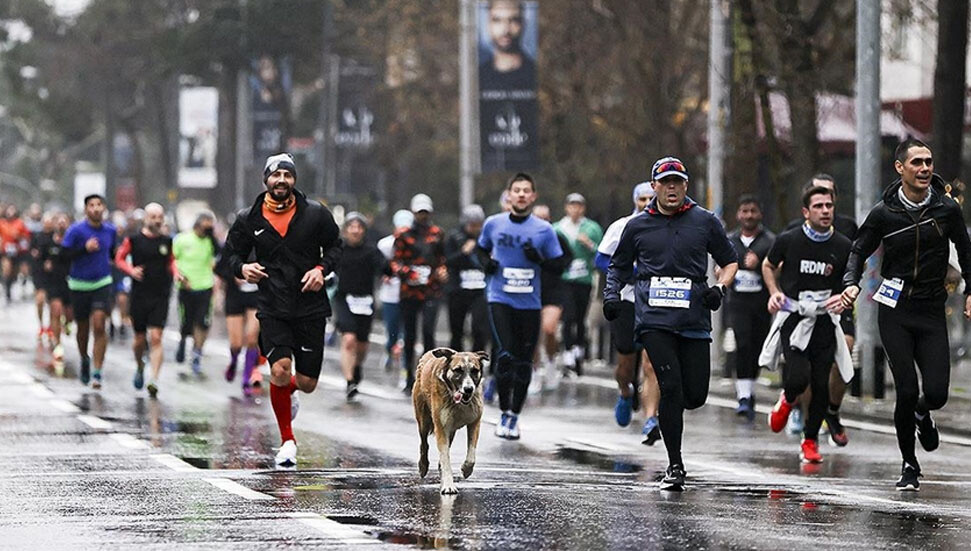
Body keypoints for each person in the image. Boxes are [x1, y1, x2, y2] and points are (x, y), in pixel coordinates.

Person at [840, 139, 971, 491]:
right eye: (917, 162)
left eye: (928, 161)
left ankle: (922, 413)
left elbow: (965, 249)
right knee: (907, 388)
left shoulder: (946, 209)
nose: (925, 168)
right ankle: (909, 464)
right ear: (900, 168)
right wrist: (851, 282)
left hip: (930, 309)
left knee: (937, 393)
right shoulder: (884, 213)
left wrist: (970, 290)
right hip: (895, 310)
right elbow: (859, 249)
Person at [604, 157, 737, 491]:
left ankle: (674, 428)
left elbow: (730, 261)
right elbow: (618, 266)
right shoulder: (637, 226)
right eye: (665, 183)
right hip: (654, 319)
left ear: (686, 185)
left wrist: (719, 288)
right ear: (655, 187)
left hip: (693, 318)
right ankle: (675, 465)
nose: (672, 188)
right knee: (671, 387)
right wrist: (612, 295)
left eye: (677, 182)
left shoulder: (705, 221)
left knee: (695, 395)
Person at [225, 152, 342, 468]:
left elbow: (336, 247)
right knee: (278, 370)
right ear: (266, 179)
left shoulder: (315, 213)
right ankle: (288, 441)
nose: (281, 180)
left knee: (307, 383)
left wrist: (321, 270)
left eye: (287, 175)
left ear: (294, 180)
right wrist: (243, 268)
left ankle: (289, 389)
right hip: (272, 305)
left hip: (310, 306)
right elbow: (230, 256)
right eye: (276, 175)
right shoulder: (248, 218)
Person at [759, 186, 852, 465]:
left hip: (825, 319)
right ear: (806, 212)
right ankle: (787, 400)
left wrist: (844, 297)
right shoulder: (789, 239)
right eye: (818, 206)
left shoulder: (842, 245)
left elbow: (850, 280)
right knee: (799, 376)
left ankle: (810, 440)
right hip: (795, 316)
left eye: (829, 206)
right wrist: (774, 292)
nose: (825, 211)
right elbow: (767, 265)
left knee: (821, 384)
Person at [477, 172, 564, 439]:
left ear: (533, 196)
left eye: (527, 190)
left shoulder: (544, 230)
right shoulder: (494, 224)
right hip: (500, 298)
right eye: (517, 190)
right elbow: (480, 249)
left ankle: (514, 415)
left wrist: (538, 258)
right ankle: (503, 411)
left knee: (524, 361)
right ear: (509, 195)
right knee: (505, 355)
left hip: (529, 302)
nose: (522, 194)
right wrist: (486, 263)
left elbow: (558, 265)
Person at [784, 174, 857, 443]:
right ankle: (805, 416)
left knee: (845, 349)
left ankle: (832, 410)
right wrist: (780, 296)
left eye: (829, 197)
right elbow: (777, 264)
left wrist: (851, 290)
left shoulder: (848, 228)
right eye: (818, 198)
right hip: (803, 307)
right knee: (807, 367)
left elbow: (858, 262)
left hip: (836, 303)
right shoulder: (794, 232)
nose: (825, 207)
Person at [596, 182, 661, 444]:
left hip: (656, 300)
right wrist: (631, 272)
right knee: (625, 363)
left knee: (651, 363)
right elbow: (601, 259)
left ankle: (650, 418)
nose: (646, 203)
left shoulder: (666, 226)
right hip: (627, 300)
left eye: (650, 198)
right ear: (635, 201)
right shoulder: (622, 226)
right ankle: (625, 391)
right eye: (642, 199)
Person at [114, 203, 181, 398]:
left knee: (156, 337)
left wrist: (176, 274)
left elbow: (172, 261)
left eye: (160, 217)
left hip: (160, 294)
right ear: (145, 219)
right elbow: (119, 259)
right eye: (153, 217)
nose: (157, 220)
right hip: (140, 294)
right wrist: (131, 270)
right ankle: (140, 365)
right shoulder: (134, 240)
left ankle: (154, 379)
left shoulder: (167, 241)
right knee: (139, 339)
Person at [724, 195, 775, 420]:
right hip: (738, 302)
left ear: (760, 214)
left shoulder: (769, 241)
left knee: (757, 347)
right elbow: (721, 265)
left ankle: (750, 390)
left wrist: (760, 265)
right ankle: (743, 396)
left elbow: (778, 267)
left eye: (753, 211)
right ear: (738, 214)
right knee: (742, 343)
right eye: (745, 211)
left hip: (761, 303)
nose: (749, 215)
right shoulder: (730, 240)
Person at [391, 193, 447, 393]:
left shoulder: (437, 233)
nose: (423, 216)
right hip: (409, 292)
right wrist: (408, 272)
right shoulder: (403, 235)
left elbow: (442, 258)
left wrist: (442, 271)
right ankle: (409, 376)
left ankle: (430, 376)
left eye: (426, 212)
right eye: (419, 212)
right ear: (414, 213)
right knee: (410, 334)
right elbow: (395, 262)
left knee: (429, 332)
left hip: (431, 291)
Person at [62, 194, 117, 389]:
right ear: (86, 210)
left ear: (104, 208)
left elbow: (113, 253)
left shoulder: (111, 230)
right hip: (79, 284)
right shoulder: (75, 230)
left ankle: (97, 371)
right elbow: (64, 255)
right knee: (83, 327)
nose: (96, 208)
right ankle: (84, 358)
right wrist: (84, 249)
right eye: (92, 205)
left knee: (100, 324)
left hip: (102, 282)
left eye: (99, 204)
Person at [333, 212, 390, 400]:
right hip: (344, 299)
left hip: (365, 301)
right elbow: (326, 266)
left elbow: (385, 267)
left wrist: (388, 271)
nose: (355, 231)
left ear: (364, 231)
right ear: (345, 230)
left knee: (362, 345)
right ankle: (350, 382)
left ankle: (356, 366)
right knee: (349, 339)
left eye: (359, 227)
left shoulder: (371, 251)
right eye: (352, 227)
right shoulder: (338, 249)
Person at [554, 193, 604, 374]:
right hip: (565, 279)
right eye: (572, 205)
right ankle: (568, 353)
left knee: (581, 318)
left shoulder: (592, 228)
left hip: (585, 279)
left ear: (583, 208)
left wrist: (589, 244)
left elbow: (602, 253)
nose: (575, 209)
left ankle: (579, 352)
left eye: (579, 206)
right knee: (568, 316)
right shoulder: (557, 228)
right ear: (566, 207)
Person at [216, 227, 263, 397]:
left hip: (256, 296)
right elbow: (220, 269)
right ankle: (234, 360)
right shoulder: (232, 244)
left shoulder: (265, 243)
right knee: (236, 344)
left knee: (251, 338)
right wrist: (235, 274)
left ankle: (246, 378)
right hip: (235, 296)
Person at [531, 204, 572, 391]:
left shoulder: (557, 237)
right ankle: (534, 371)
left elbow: (566, 261)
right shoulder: (526, 237)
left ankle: (550, 361)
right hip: (530, 289)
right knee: (532, 334)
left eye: (545, 218)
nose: (542, 222)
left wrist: (544, 260)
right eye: (537, 218)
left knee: (549, 329)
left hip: (553, 290)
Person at [173, 211, 218, 378]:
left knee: (202, 323)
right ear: (198, 223)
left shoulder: (210, 241)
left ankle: (197, 353)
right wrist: (179, 276)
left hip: (205, 286)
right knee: (187, 322)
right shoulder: (182, 239)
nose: (208, 227)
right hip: (186, 287)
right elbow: (173, 260)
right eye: (206, 223)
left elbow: (219, 257)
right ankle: (183, 339)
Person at [444, 204, 490, 353]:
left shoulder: (485, 239)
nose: (476, 228)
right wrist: (464, 252)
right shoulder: (454, 237)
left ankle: (477, 359)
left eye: (478, 225)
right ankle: (456, 360)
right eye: (472, 225)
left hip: (480, 290)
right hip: (458, 290)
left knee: (480, 329)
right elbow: (448, 261)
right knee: (457, 330)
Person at [377, 210, 414, 372]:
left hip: (410, 294)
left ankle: (406, 367)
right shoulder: (385, 245)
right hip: (390, 294)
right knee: (392, 330)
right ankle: (389, 350)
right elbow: (378, 265)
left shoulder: (416, 244)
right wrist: (383, 275)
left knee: (407, 333)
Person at [39, 212, 74, 374]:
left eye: (64, 221)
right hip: (53, 282)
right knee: (56, 311)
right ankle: (58, 344)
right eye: (58, 221)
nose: (61, 224)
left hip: (71, 282)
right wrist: (45, 265)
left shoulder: (72, 241)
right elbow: (40, 258)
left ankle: (68, 323)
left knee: (69, 314)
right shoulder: (47, 241)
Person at [479, 0, 536, 90]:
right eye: (497, 20)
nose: (505, 30)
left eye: (513, 20)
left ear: (523, 24)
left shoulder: (536, 73)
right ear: (488, 25)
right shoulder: (478, 76)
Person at [0, 204, 31, 303]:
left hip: (18, 251)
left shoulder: (20, 223)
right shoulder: (2, 223)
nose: (10, 212)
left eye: (12, 210)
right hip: (6, 250)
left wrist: (19, 237)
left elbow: (27, 236)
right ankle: (7, 292)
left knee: (19, 271)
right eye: (9, 210)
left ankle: (22, 285)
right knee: (7, 270)